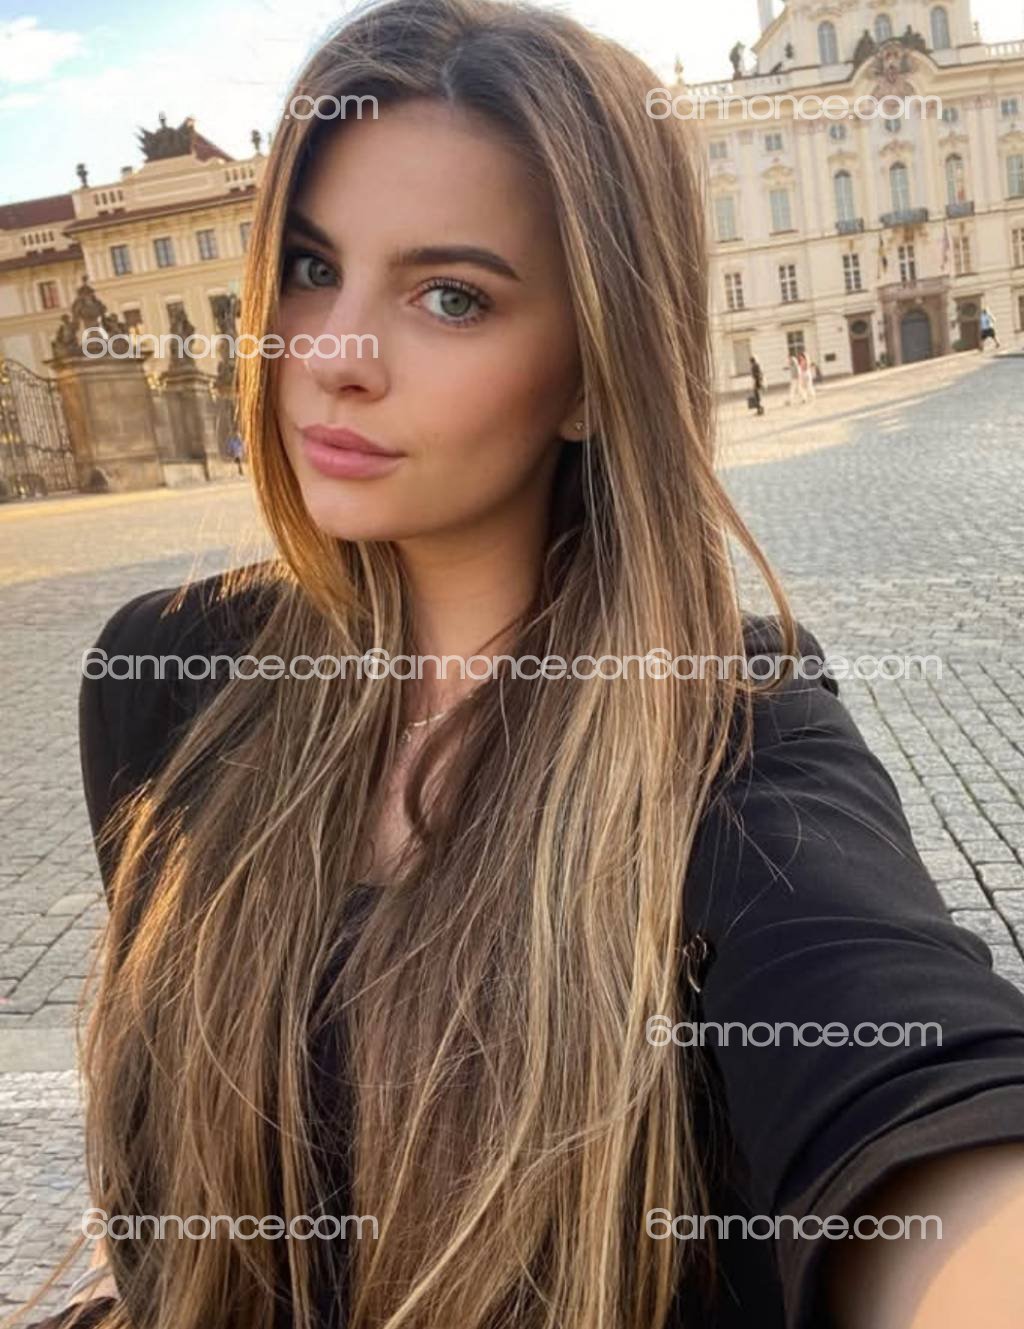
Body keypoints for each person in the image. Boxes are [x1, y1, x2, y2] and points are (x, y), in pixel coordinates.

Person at [21, 3, 1024, 1328]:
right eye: (312, 267)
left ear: (597, 372)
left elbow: (902, 1055)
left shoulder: (725, 724)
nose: (329, 357)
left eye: (452, 297)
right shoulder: (166, 673)